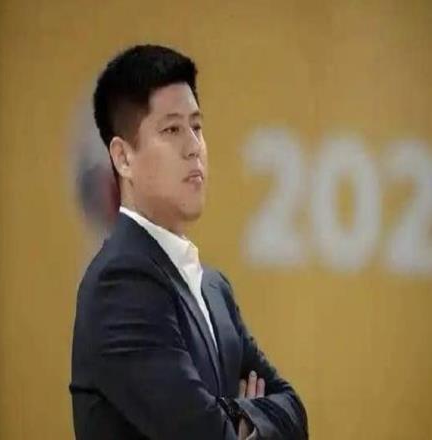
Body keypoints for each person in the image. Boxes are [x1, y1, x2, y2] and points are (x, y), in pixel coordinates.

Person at [70, 44, 308, 440]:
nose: (193, 146)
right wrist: (246, 415)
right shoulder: (120, 285)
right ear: (123, 158)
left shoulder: (215, 289)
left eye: (197, 127)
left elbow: (295, 412)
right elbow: (203, 433)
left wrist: (237, 419)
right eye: (172, 130)